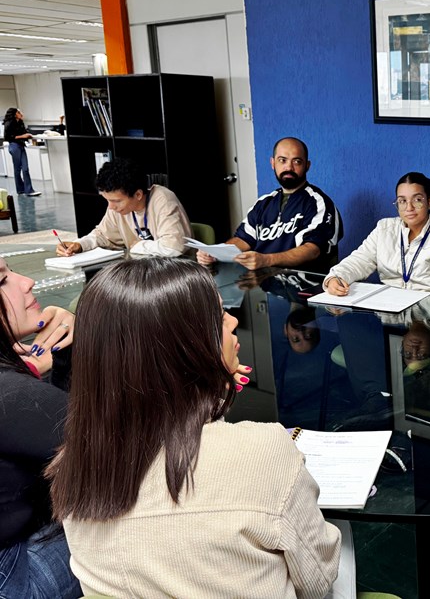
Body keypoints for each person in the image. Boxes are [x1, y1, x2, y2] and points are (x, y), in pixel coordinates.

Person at [46, 258, 355, 598]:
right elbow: (316, 580)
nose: (234, 321)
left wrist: (203, 393)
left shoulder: (75, 466)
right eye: (219, 317)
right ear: (186, 346)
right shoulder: (264, 450)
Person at [0, 258, 82, 598]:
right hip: (15, 578)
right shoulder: (11, 395)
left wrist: (62, 354)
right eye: (2, 280)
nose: (26, 282)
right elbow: (116, 448)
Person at [198, 137, 343, 272]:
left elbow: (312, 250)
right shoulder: (264, 203)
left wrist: (266, 260)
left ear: (307, 165)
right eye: (282, 160)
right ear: (273, 163)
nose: (289, 167)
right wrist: (215, 253)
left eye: (297, 161)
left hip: (304, 283)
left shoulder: (318, 202)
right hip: (263, 281)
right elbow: (243, 239)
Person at [324, 171, 430, 299]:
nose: (409, 207)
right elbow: (360, 260)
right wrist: (336, 277)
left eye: (417, 200)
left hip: (429, 318)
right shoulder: (384, 229)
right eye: (402, 201)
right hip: (388, 313)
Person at [56, 157, 193, 258]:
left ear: (138, 194)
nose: (111, 207)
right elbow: (103, 235)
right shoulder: (118, 208)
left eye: (116, 201)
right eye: (108, 200)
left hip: (176, 274)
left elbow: (174, 247)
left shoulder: (162, 199)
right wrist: (79, 245)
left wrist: (139, 246)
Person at [2, 107, 41, 197]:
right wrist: (23, 136)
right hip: (14, 146)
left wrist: (28, 135)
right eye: (19, 112)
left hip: (21, 145)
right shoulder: (9, 123)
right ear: (15, 114)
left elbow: (24, 132)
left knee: (25, 168)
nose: (21, 114)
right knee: (17, 169)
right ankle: (20, 190)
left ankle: (29, 190)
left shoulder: (20, 122)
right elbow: (8, 137)